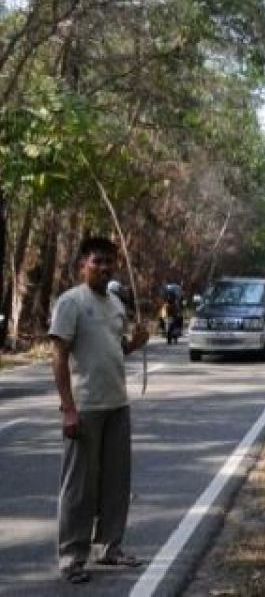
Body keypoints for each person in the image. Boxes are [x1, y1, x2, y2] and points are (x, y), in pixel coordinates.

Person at [49, 236, 150, 584]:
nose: (105, 267)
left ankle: (109, 547)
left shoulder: (116, 304)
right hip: (86, 407)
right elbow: (59, 356)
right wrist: (68, 409)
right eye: (97, 261)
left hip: (117, 404)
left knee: (116, 482)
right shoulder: (71, 302)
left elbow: (117, 348)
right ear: (83, 265)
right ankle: (72, 558)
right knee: (79, 487)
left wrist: (135, 344)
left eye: (109, 262)